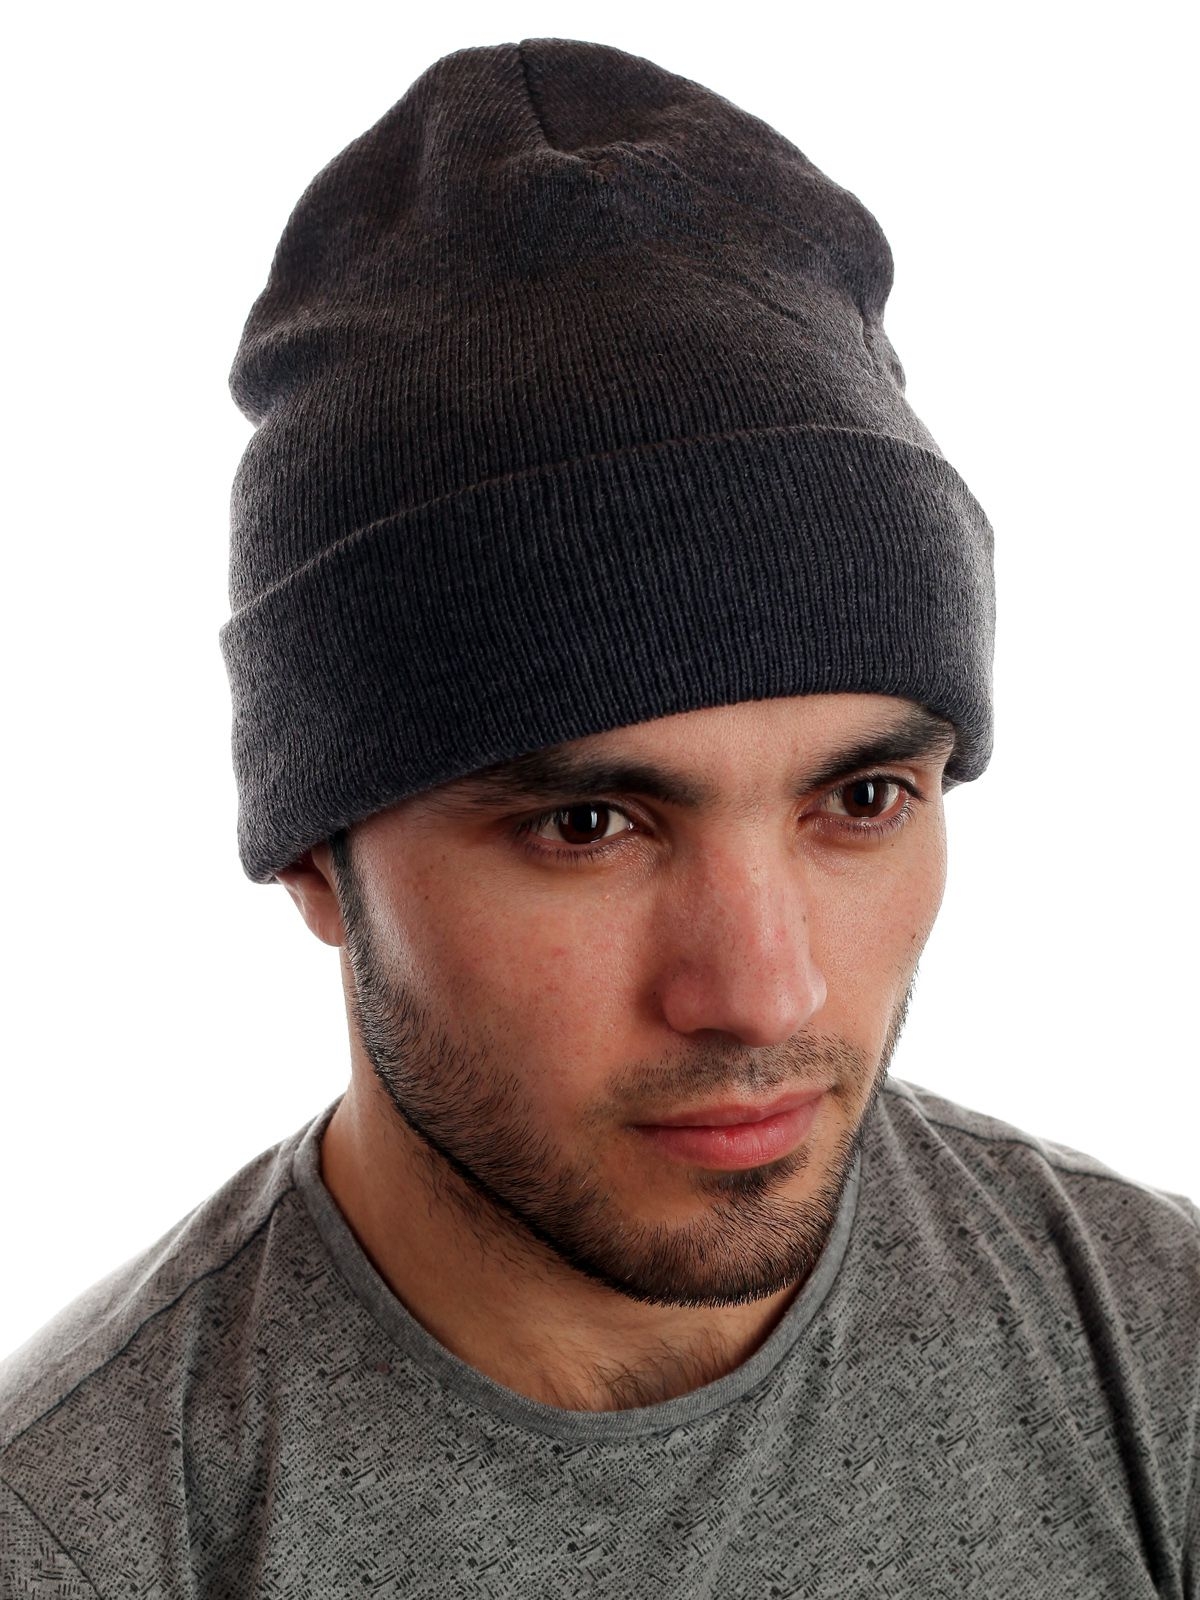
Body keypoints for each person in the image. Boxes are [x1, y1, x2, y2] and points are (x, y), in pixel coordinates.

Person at [1, 35, 1196, 1598]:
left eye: (861, 799)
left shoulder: (1158, 1356)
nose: (765, 993)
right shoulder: (83, 1540)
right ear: (315, 853)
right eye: (589, 826)